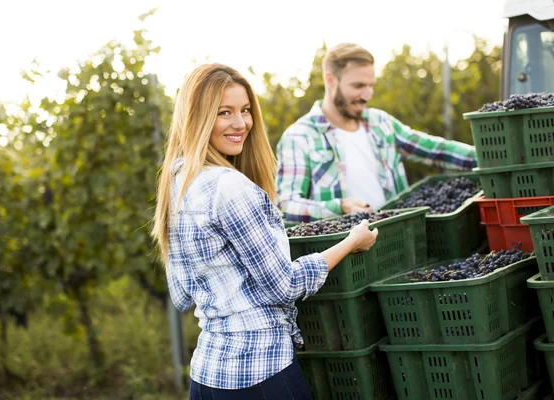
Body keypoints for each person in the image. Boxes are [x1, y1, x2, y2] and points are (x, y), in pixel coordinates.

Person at [151, 63, 379, 399]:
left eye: (244, 110)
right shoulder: (231, 188)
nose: (241, 123)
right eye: (223, 112)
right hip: (261, 373)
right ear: (197, 119)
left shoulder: (178, 181)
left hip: (206, 378)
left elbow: (183, 295)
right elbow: (284, 286)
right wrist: (350, 243)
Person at [275, 42, 478, 224]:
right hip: (350, 255)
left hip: (397, 239)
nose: (367, 95)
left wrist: (488, 156)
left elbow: (436, 150)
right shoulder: (299, 137)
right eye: (358, 86)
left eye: (371, 85)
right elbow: (287, 205)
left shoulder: (381, 123)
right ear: (330, 80)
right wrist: (340, 207)